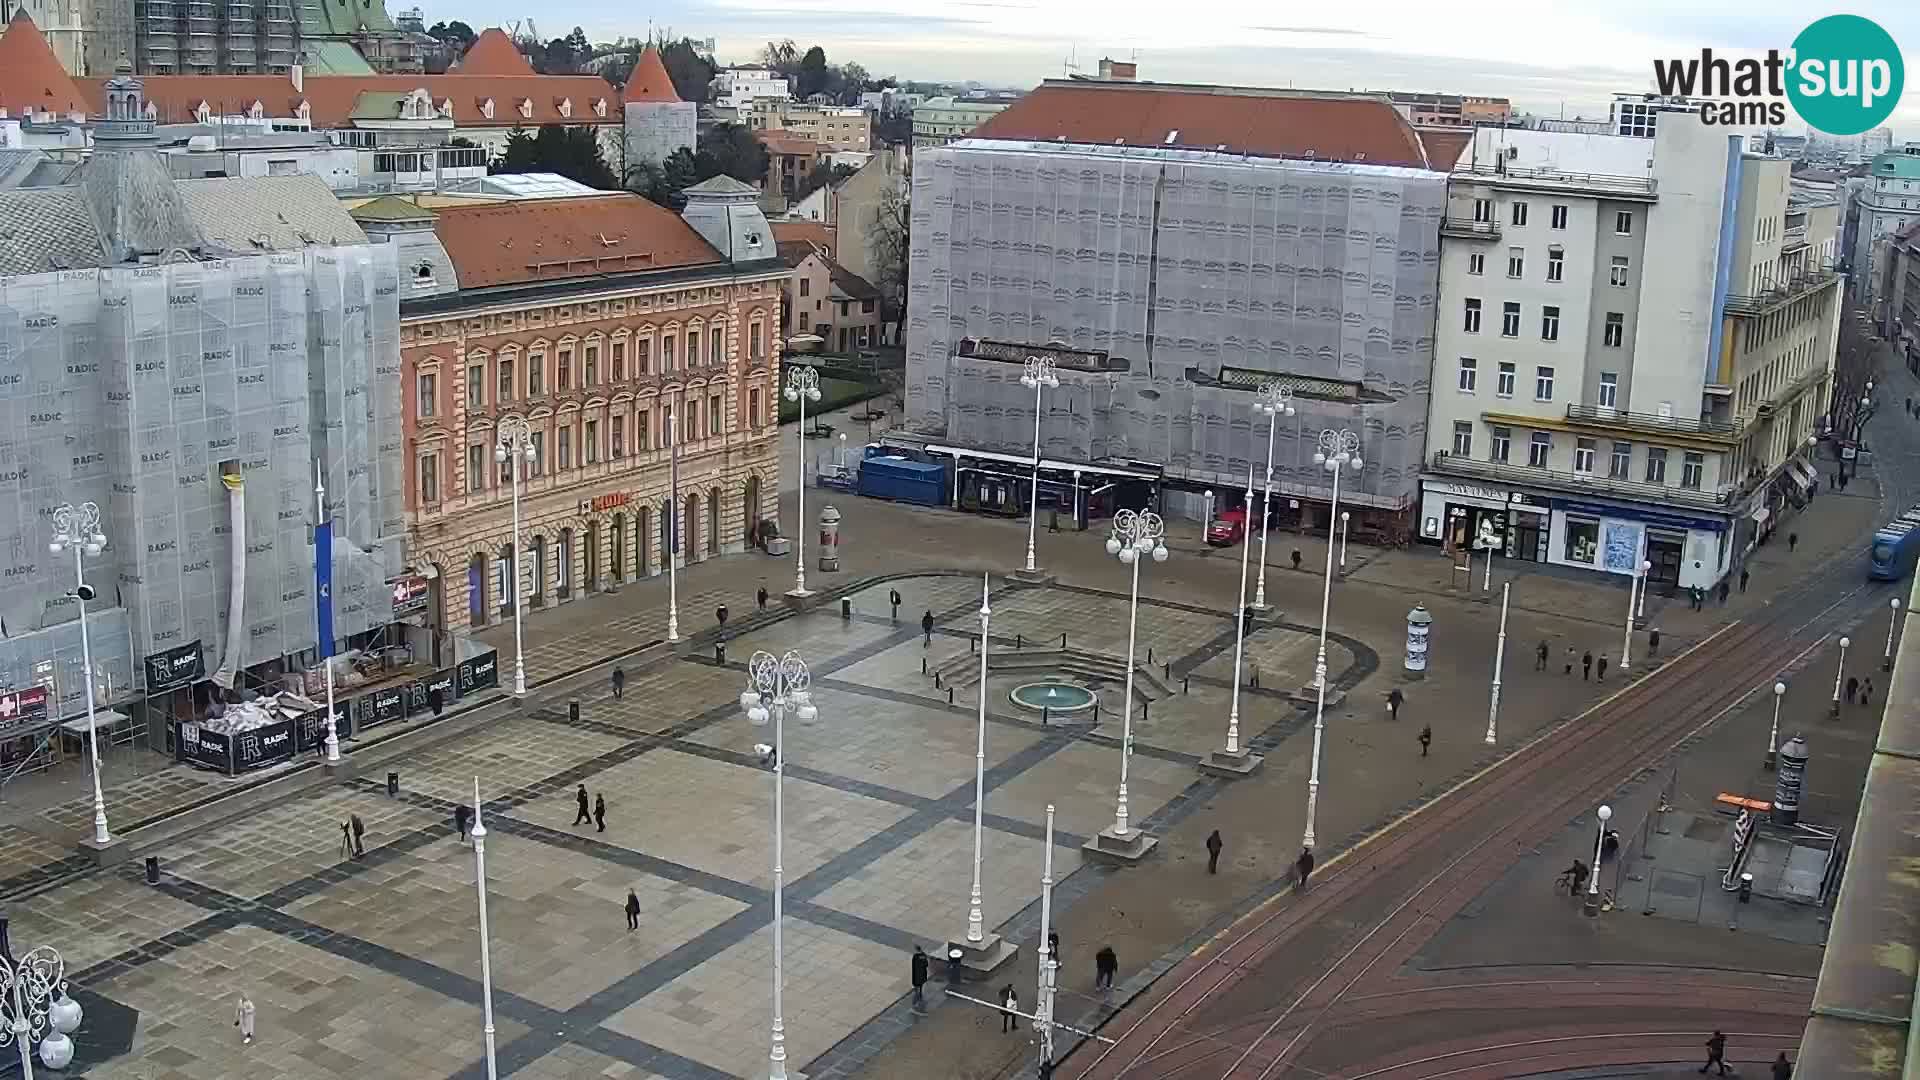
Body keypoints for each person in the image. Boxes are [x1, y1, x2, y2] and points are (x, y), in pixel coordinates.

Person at [910, 945, 930, 1011]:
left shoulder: (915, 956)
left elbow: (913, 965)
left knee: (916, 984)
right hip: (922, 973)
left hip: (917, 973)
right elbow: (926, 964)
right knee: (921, 984)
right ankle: (920, 993)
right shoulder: (923, 955)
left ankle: (917, 995)